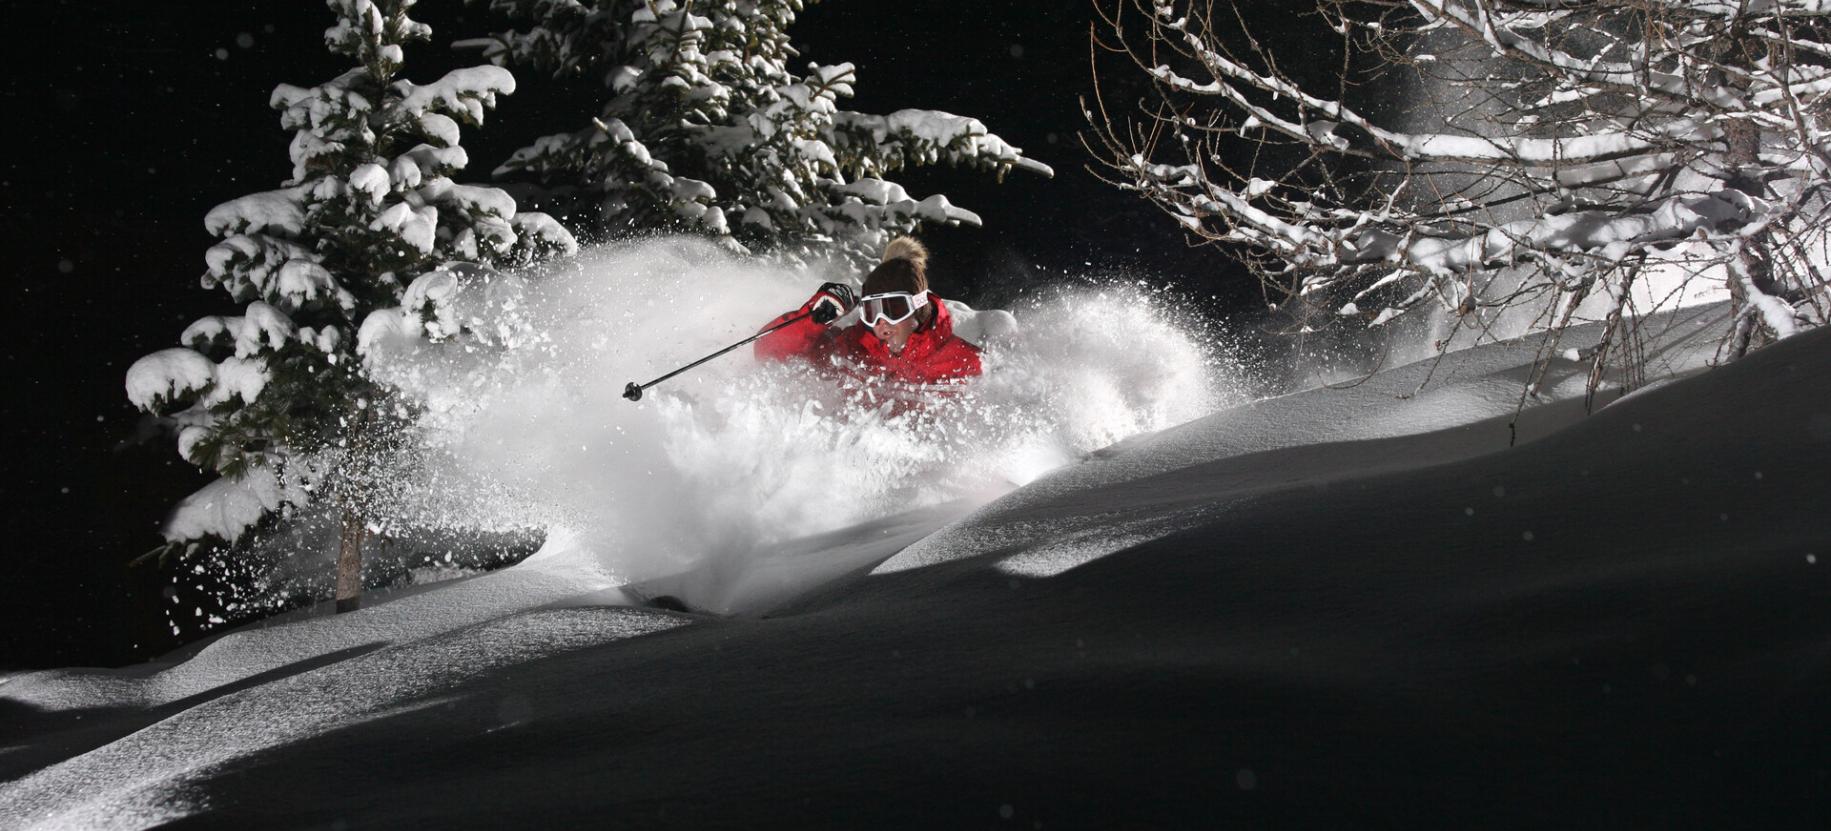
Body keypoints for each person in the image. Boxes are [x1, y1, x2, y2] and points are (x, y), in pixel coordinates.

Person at [755, 238, 1010, 391]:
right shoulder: (852, 350)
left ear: (918, 309)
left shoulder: (967, 362)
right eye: (871, 312)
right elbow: (769, 355)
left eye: (894, 309)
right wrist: (811, 319)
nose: (881, 324)